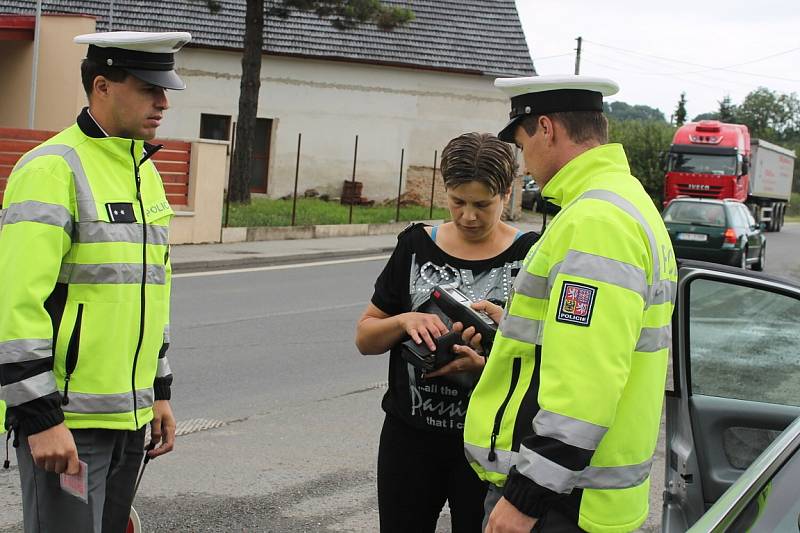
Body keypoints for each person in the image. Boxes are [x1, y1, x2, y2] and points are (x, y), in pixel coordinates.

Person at [459, 76, 678, 532]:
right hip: (584, 496)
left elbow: (587, 381)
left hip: (563, 503)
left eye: (521, 146)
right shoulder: (626, 201)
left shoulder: (596, 221)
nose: (523, 164)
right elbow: (594, 343)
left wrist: (525, 498)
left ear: (546, 128)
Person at [0, 30, 190, 532]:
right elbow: (14, 307)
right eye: (150, 87)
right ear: (102, 85)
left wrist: (159, 390)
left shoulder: (142, 170)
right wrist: (41, 418)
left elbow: (151, 294)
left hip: (130, 419)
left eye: (165, 88)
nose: (163, 102)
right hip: (69, 424)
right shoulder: (50, 170)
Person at [355, 132, 539, 533]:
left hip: (490, 445)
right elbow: (365, 337)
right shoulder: (417, 245)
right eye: (458, 201)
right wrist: (404, 321)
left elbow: (547, 359)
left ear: (506, 194)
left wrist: (486, 365)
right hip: (410, 440)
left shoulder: (532, 255)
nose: (468, 216)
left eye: (482, 205)